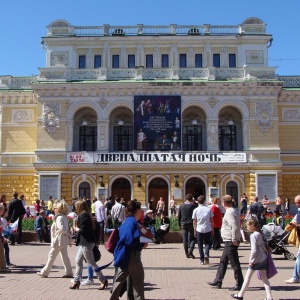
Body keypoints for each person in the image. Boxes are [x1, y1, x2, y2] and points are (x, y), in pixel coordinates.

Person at [110, 200, 147, 300]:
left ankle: (113, 298)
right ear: (137, 210)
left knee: (120, 278)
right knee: (138, 278)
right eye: (141, 210)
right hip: (131, 255)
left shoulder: (126, 221)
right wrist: (142, 244)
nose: (141, 213)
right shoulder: (132, 222)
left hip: (124, 255)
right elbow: (130, 241)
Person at [208, 195, 244, 291]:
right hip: (229, 240)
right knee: (223, 261)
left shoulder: (229, 212)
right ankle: (218, 280)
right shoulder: (234, 210)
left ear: (224, 203)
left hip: (230, 241)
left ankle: (239, 283)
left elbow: (234, 226)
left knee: (234, 263)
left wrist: (234, 239)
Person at [231, 218, 273, 300]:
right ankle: (269, 297)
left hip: (256, 260)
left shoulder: (253, 235)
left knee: (247, 277)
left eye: (247, 225)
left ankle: (240, 295)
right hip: (263, 258)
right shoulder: (261, 234)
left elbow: (254, 250)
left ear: (252, 226)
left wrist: (251, 261)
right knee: (265, 278)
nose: (247, 227)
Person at [70, 200, 107, 290]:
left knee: (91, 262)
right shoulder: (86, 215)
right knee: (78, 260)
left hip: (86, 242)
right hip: (85, 242)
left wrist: (75, 228)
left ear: (79, 207)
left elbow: (83, 230)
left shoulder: (83, 216)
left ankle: (103, 280)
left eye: (76, 207)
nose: (75, 209)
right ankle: (76, 280)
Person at [37, 202, 73, 278]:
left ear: (58, 209)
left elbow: (62, 228)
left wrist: (61, 232)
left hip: (58, 240)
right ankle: (69, 272)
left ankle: (45, 272)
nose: (54, 209)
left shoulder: (59, 217)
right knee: (64, 256)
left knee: (51, 255)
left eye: (55, 208)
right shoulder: (64, 217)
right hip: (64, 240)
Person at [192, 195, 214, 265]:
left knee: (200, 244)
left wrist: (194, 230)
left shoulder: (195, 210)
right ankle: (206, 254)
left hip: (199, 229)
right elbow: (212, 220)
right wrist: (212, 229)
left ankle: (201, 259)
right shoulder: (208, 209)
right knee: (207, 243)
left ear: (197, 202)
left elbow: (194, 221)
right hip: (207, 228)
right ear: (204, 201)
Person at [284, 195, 300, 284]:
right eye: (296, 203)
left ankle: (295, 277)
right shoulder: (299, 211)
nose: (297, 204)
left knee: (299, 258)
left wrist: (296, 225)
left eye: (298, 203)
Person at [178, 194, 198, 258]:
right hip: (191, 224)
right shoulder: (194, 206)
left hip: (183, 224)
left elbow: (179, 216)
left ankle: (186, 253)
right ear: (192, 199)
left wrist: (179, 224)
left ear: (186, 198)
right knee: (193, 238)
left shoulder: (181, 206)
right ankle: (190, 251)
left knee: (185, 239)